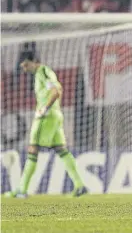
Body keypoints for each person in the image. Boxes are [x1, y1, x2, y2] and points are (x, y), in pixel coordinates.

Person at [6, 51, 87, 198]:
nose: (24, 68)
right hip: (55, 116)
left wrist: (44, 108)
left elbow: (56, 91)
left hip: (46, 117)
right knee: (62, 151)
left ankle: (22, 190)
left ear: (33, 61)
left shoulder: (43, 71)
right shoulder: (40, 74)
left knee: (32, 150)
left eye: (25, 64)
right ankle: (80, 185)